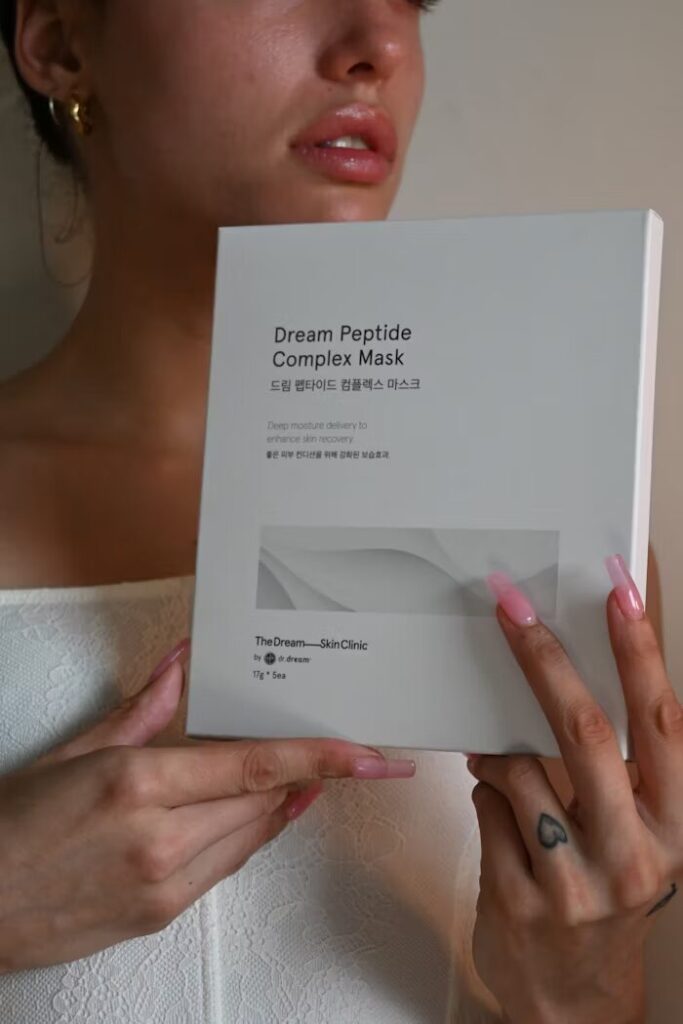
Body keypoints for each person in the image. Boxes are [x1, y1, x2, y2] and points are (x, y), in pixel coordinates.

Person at [0, 1, 680, 1022]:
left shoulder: (562, 529)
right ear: (60, 42)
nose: (381, 45)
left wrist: (585, 989)